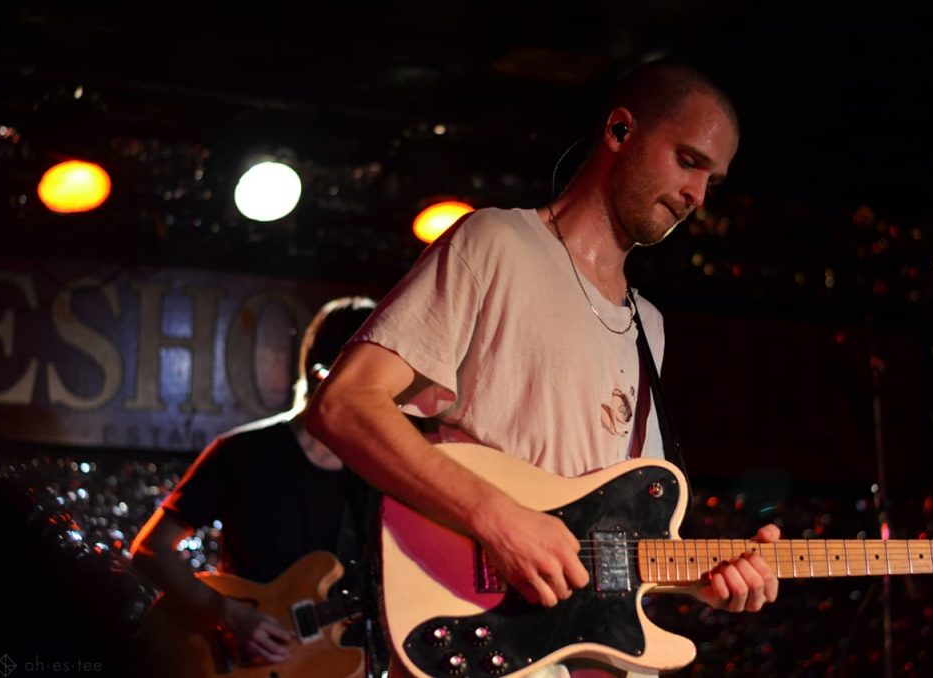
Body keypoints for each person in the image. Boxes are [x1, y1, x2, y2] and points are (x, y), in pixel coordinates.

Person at [306, 61, 780, 677]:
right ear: (619, 130)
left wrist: (699, 581)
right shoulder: (496, 243)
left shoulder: (649, 326)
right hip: (488, 642)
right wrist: (497, 518)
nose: (697, 196)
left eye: (712, 181)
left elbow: (605, 539)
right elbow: (344, 403)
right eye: (688, 161)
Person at [131, 296, 375, 665]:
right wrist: (229, 614)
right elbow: (151, 549)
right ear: (323, 368)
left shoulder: (379, 474)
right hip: (239, 659)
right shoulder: (243, 451)